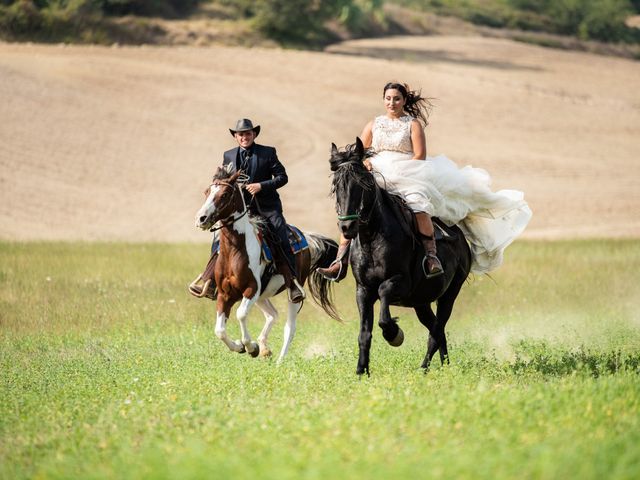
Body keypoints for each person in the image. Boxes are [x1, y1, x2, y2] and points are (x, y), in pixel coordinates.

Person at [318, 82, 532, 281]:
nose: (392, 103)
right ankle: (340, 260)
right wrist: (366, 164)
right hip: (377, 175)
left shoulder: (412, 124)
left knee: (419, 206)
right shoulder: (374, 124)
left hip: (408, 172)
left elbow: (419, 155)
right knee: (353, 209)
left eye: (397, 99)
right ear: (383, 100)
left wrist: (398, 172)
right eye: (388, 98)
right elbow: (360, 153)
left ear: (404, 101)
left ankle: (431, 256)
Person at [190, 118, 306, 303]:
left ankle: (291, 282)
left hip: (267, 208)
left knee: (279, 233)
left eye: (248, 133)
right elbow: (223, 180)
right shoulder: (228, 155)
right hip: (239, 210)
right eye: (241, 134)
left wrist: (261, 185)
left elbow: (282, 177)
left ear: (254, 135)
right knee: (218, 238)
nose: (244, 137)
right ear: (236, 137)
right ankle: (210, 280)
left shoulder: (268, 153)